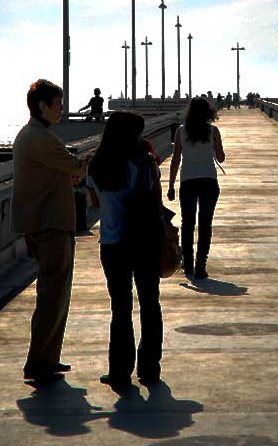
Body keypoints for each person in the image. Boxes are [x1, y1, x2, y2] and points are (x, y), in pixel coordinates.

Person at [12, 79, 90, 384]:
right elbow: (74, 166)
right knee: (51, 296)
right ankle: (38, 362)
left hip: (48, 222)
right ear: (42, 105)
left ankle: (48, 357)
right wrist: (86, 162)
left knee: (56, 294)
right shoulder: (40, 138)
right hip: (50, 224)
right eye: (57, 103)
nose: (61, 109)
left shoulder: (33, 135)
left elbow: (59, 173)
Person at [88, 111, 164, 389]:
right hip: (145, 241)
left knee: (120, 308)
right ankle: (149, 367)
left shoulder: (96, 165)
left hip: (112, 243)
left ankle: (120, 371)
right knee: (150, 303)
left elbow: (96, 204)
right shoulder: (146, 164)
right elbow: (156, 204)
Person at [167, 97, 225, 279]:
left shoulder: (181, 132)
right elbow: (221, 158)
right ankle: (201, 265)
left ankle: (188, 264)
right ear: (209, 113)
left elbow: (176, 160)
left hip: (188, 181)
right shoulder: (213, 131)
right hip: (209, 181)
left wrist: (170, 185)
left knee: (188, 223)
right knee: (205, 224)